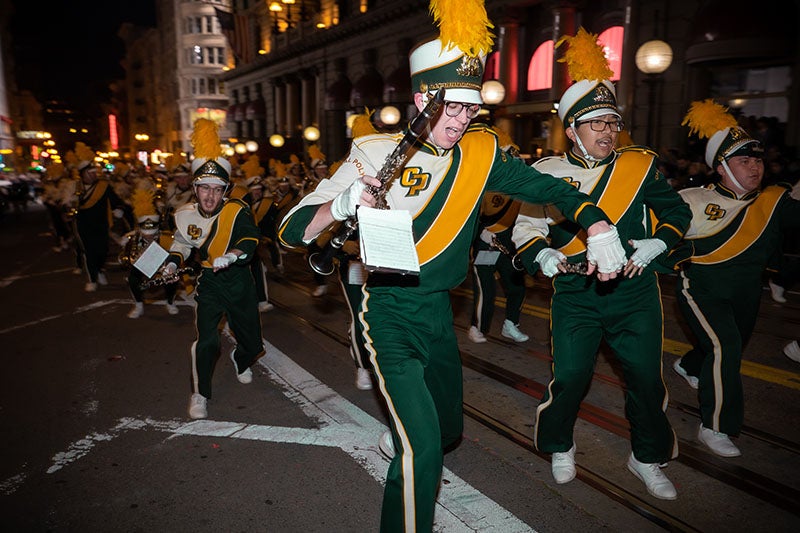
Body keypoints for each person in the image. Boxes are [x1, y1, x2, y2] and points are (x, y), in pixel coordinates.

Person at [278, 3, 627, 530]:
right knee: (423, 453)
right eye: (453, 108)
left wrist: (597, 226)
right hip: (390, 311)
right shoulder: (373, 152)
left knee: (446, 431)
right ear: (422, 99)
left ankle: (407, 429)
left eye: (470, 110)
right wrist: (342, 204)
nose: (462, 121)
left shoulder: (481, 152)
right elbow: (289, 232)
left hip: (441, 312)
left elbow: (546, 187)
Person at [511, 28, 691, 500]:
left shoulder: (639, 165)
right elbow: (525, 231)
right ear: (571, 129)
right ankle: (559, 443)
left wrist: (659, 242)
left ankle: (647, 456)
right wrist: (543, 253)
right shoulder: (546, 173)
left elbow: (678, 212)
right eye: (597, 124)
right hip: (576, 293)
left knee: (647, 382)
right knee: (570, 377)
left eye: (613, 122)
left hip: (634, 290)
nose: (609, 131)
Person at [670, 100, 800, 457]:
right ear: (722, 168)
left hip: (747, 292)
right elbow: (663, 235)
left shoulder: (773, 201)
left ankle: (688, 364)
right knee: (725, 347)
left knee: (727, 346)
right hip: (701, 287)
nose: (754, 166)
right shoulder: (693, 198)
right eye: (744, 160)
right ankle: (715, 426)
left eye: (757, 160)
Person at [160, 118, 264, 420]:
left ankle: (241, 358)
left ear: (225, 191)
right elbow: (181, 244)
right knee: (206, 340)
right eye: (204, 188)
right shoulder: (184, 215)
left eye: (217, 189)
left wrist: (231, 256)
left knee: (253, 343)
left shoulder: (237, 210)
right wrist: (171, 262)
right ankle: (200, 392)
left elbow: (249, 237)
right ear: (195, 188)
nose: (209, 196)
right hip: (209, 282)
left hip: (238, 279)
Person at [468, 131, 530, 344]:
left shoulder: (519, 184)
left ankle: (511, 324)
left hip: (508, 244)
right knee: (486, 288)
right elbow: (470, 212)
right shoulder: (482, 179)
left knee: (517, 286)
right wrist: (480, 233)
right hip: (486, 244)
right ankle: (478, 326)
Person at [69, 142, 133, 292]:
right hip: (83, 224)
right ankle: (92, 279)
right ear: (82, 173)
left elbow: (117, 201)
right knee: (89, 251)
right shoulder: (75, 186)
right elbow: (67, 204)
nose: (93, 175)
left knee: (102, 250)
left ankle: (99, 270)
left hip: (101, 223)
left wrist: (118, 209)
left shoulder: (103, 186)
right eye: (89, 173)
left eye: (94, 172)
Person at [121, 188, 179, 318]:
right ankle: (138, 304)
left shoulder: (166, 238)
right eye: (146, 235)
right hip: (141, 269)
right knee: (132, 278)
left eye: (152, 234)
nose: (149, 237)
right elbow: (124, 259)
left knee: (173, 275)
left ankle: (170, 302)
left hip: (162, 268)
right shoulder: (133, 238)